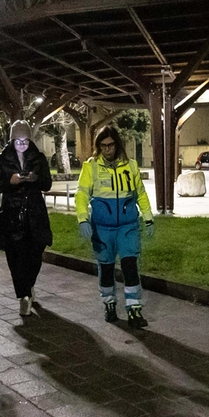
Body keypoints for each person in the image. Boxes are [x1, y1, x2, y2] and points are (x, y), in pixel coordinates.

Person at [75, 125, 154, 328]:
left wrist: (148, 218)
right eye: (103, 146)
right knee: (106, 267)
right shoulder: (90, 167)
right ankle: (109, 304)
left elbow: (140, 194)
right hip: (102, 228)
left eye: (110, 145)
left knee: (130, 267)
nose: (107, 150)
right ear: (98, 147)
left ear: (117, 144)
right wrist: (83, 219)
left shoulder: (131, 166)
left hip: (127, 226)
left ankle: (134, 310)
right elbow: (82, 194)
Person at [0, 121, 53, 316]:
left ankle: (29, 285)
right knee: (15, 257)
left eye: (25, 140)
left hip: (35, 213)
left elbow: (47, 183)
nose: (22, 144)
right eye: (18, 141)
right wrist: (10, 180)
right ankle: (24, 295)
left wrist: (35, 178)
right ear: (11, 140)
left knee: (35, 253)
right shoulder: (3, 159)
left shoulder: (38, 157)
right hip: (12, 213)